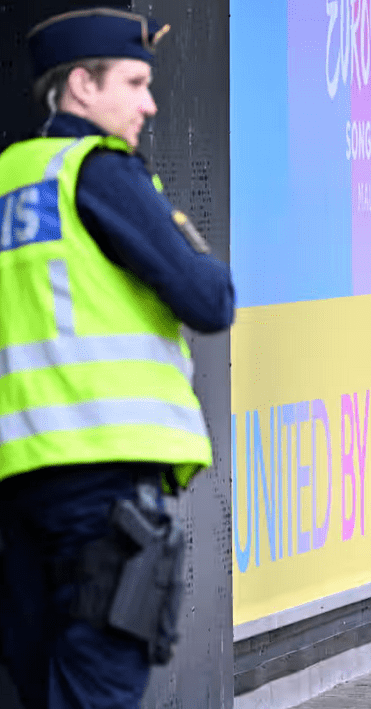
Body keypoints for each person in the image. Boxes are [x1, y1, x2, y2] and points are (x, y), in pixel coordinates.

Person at [0, 8, 235, 709]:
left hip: (21, 478)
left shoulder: (12, 177)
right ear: (80, 85)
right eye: (134, 82)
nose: (150, 102)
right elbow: (208, 297)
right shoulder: (96, 170)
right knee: (98, 688)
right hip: (105, 483)